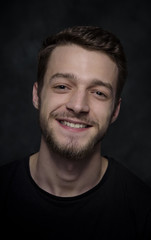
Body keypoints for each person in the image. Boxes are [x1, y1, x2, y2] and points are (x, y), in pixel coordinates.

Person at [0, 25, 151, 239]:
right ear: (37, 95)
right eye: (62, 86)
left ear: (115, 110)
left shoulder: (143, 212)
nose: (78, 106)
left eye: (98, 92)